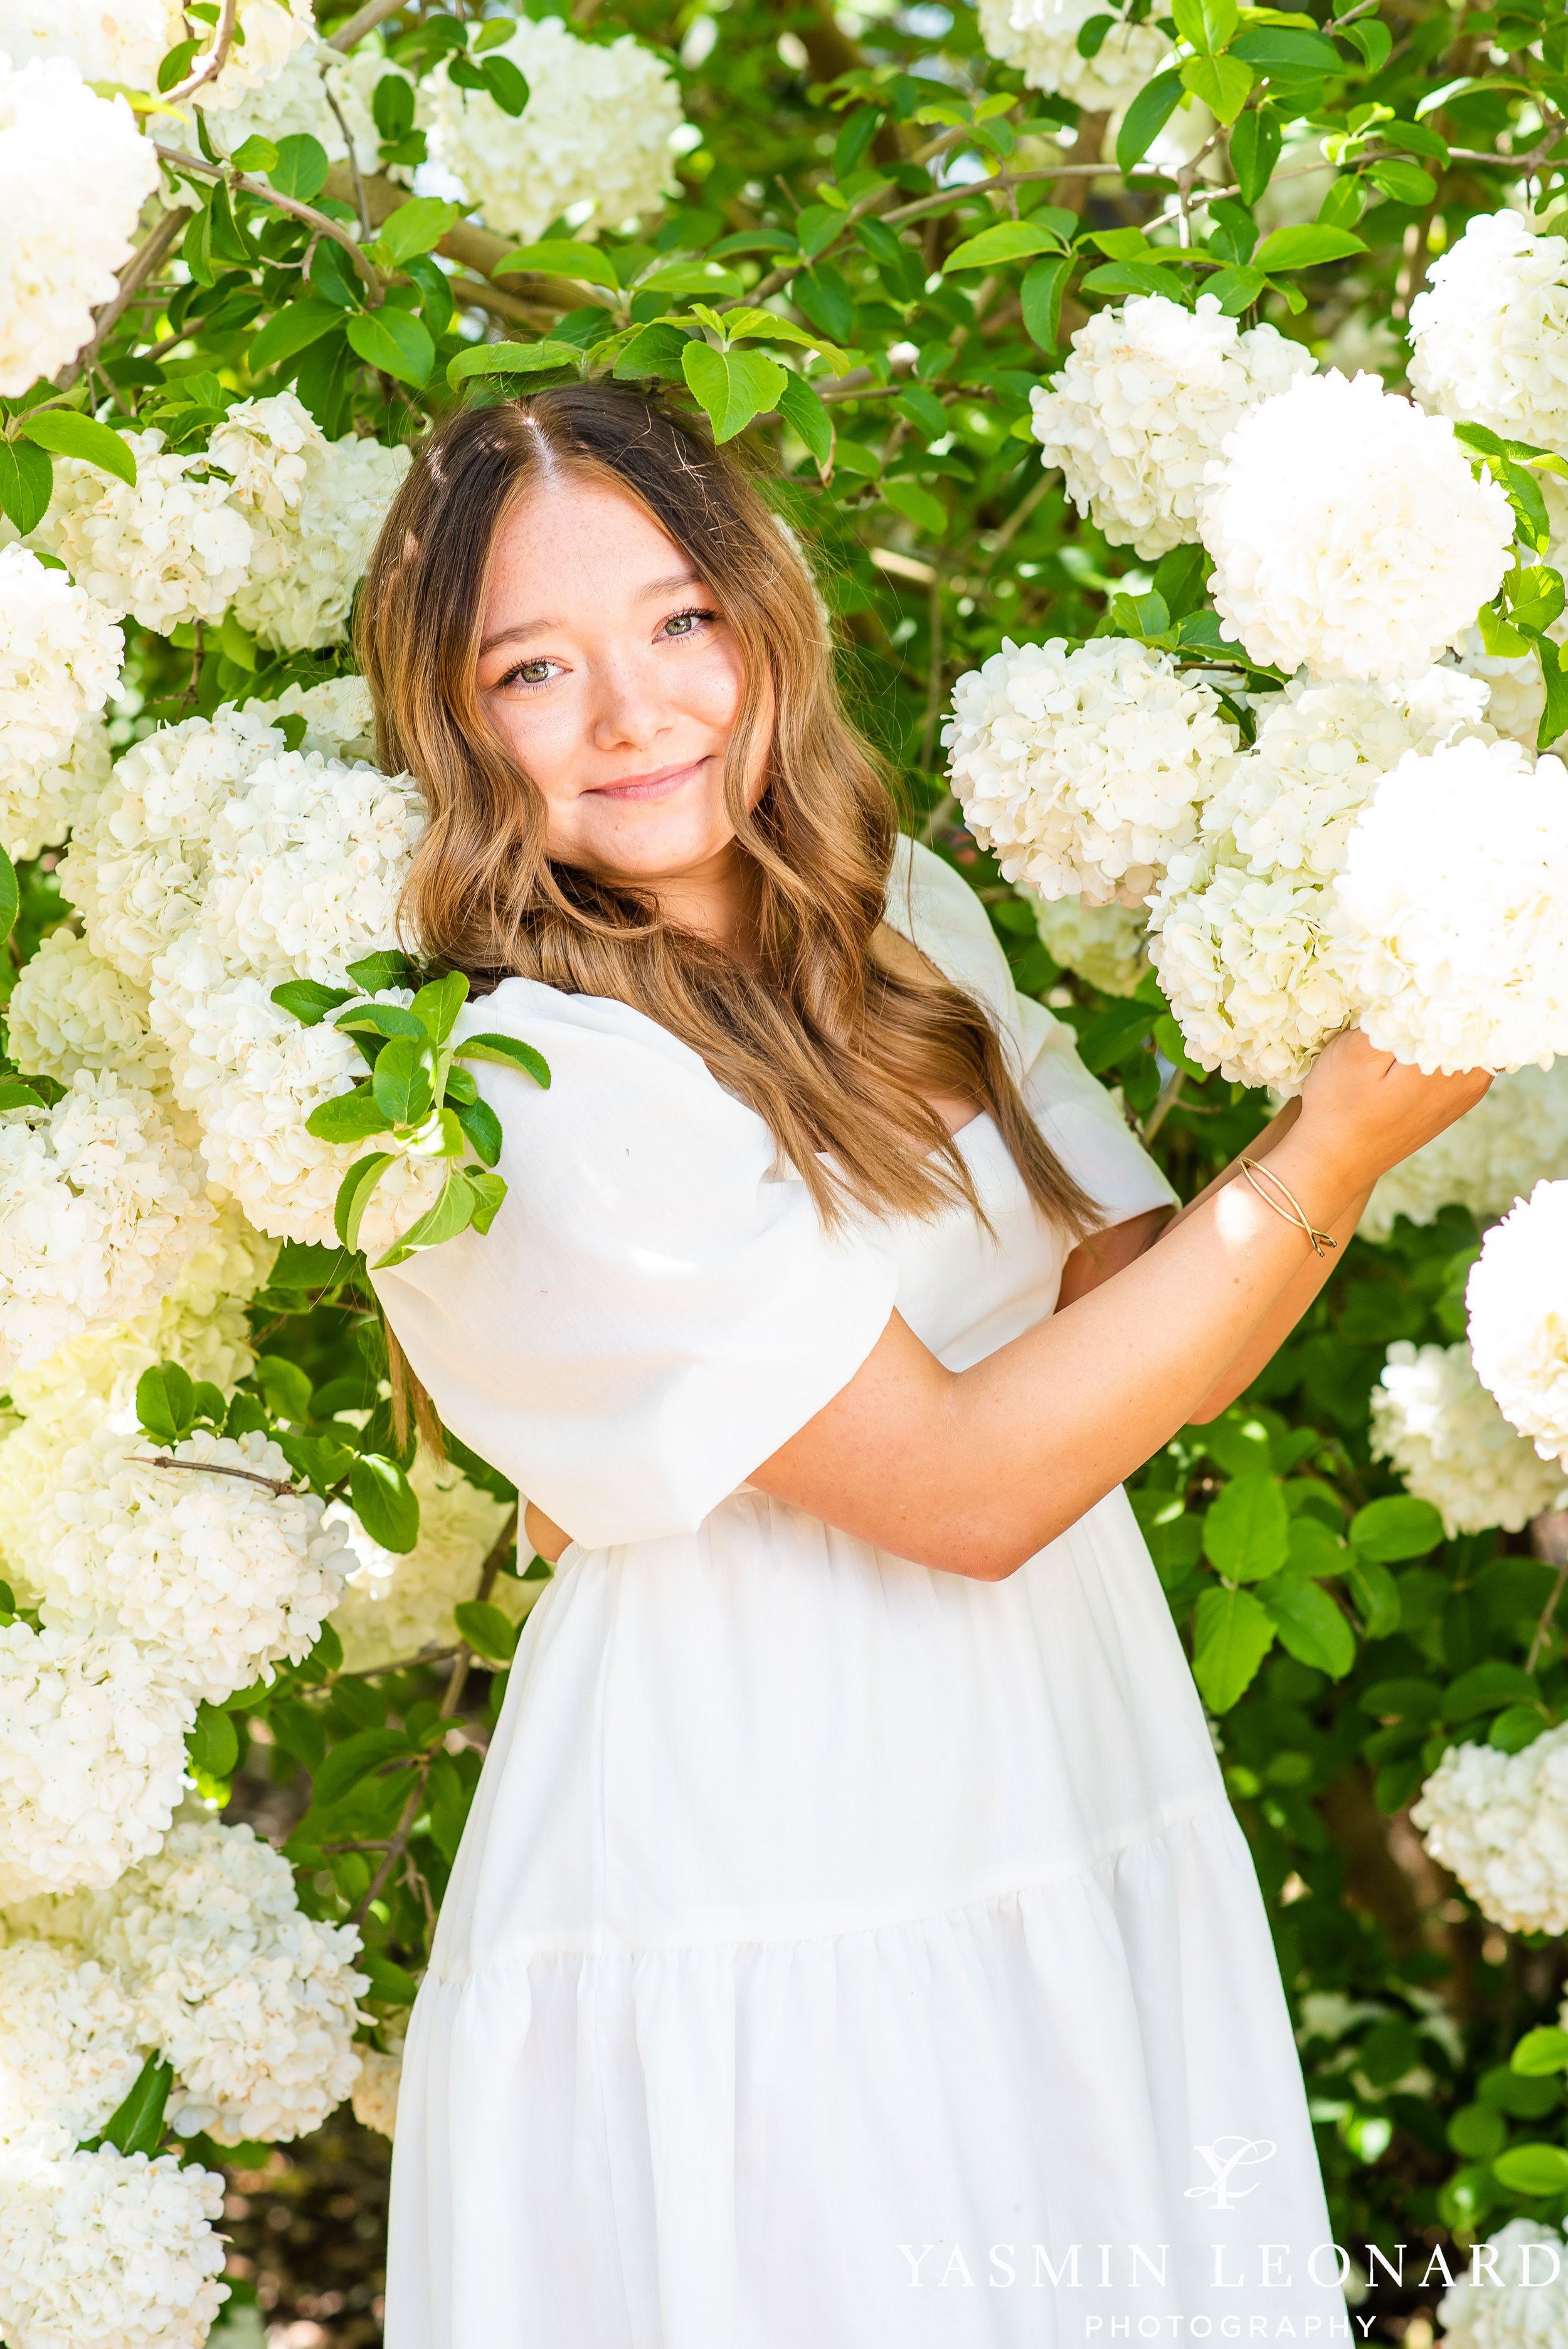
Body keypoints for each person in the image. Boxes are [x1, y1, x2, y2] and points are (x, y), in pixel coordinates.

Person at [358, 384, 1488, 2349]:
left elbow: (1155, 1325)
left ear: (760, 618)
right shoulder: (529, 1082)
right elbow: (962, 1488)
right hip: (771, 1848)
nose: (634, 715)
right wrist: (1332, 1149)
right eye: (534, 668)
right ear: (453, 725)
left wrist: (1362, 927)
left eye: (677, 620)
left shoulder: (889, 920)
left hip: (1055, 1759)